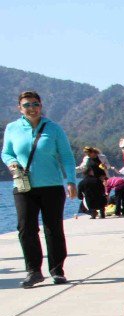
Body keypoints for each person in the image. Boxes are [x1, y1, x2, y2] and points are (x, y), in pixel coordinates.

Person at [2, 91, 77, 287]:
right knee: (25, 228)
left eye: (35, 104)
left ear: (41, 106)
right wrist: (11, 163)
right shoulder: (12, 128)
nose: (32, 108)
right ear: (20, 108)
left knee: (53, 229)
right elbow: (6, 153)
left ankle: (57, 270)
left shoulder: (53, 129)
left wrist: (71, 181)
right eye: (27, 105)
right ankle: (33, 271)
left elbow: (67, 157)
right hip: (23, 186)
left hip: (51, 186)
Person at [78, 148, 108, 219]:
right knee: (94, 194)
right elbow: (82, 167)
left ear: (93, 152)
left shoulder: (102, 157)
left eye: (89, 154)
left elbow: (108, 166)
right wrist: (74, 169)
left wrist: (105, 166)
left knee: (98, 194)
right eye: (87, 154)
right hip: (92, 180)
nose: (88, 155)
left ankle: (96, 212)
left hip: (100, 178)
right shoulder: (86, 158)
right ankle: (96, 211)